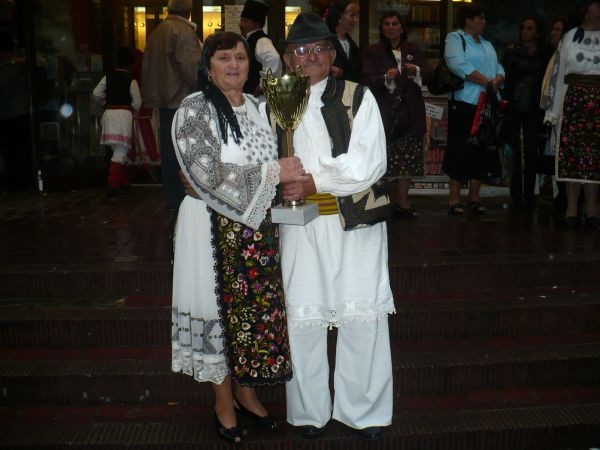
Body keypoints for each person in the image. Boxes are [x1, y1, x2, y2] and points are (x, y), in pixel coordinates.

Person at [170, 32, 304, 444]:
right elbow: (205, 173)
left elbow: (272, 164)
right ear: (208, 67)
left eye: (241, 58)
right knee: (216, 311)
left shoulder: (260, 108)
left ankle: (246, 393)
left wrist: (284, 179)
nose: (234, 65)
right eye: (224, 58)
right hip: (209, 228)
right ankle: (223, 402)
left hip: (256, 229)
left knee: (249, 316)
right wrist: (273, 173)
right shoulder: (195, 108)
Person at [274, 12, 394, 441]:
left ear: (332, 54)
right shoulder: (273, 101)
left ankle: (363, 411)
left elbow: (369, 162)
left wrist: (315, 181)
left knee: (361, 316)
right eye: (301, 50)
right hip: (299, 226)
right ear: (287, 59)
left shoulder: (357, 96)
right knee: (302, 317)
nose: (311, 57)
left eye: (319, 49)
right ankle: (308, 411)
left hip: (354, 223)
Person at [362, 11, 433, 218]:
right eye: (387, 24)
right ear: (382, 29)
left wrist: (416, 70)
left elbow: (430, 74)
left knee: (407, 160)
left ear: (402, 28)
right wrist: (385, 77)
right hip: (385, 112)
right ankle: (382, 203)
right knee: (384, 159)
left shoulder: (413, 49)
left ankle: (403, 203)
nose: (391, 27)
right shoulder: (373, 51)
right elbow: (365, 79)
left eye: (395, 24)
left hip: (411, 112)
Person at [442, 4, 505, 215]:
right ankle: (454, 198)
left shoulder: (487, 44)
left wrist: (497, 80)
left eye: (484, 18)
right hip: (465, 102)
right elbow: (458, 65)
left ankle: (474, 197)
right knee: (461, 148)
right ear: (468, 20)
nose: (484, 22)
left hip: (487, 102)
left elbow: (499, 67)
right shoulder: (455, 38)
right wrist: (487, 82)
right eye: (480, 18)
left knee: (483, 149)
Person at [141, 0, 202, 216]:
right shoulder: (183, 31)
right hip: (182, 99)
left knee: (169, 152)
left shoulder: (158, 31)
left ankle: (173, 199)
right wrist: (205, 89)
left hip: (164, 100)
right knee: (185, 152)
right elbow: (192, 68)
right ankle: (183, 199)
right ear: (189, 9)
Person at [544, 0, 600, 229]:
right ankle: (572, 209)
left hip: (598, 102)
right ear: (586, 11)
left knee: (595, 157)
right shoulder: (569, 37)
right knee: (571, 157)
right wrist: (554, 110)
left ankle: (592, 208)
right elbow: (558, 74)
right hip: (573, 101)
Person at [502, 17, 552, 210]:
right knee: (516, 151)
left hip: (534, 107)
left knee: (531, 151)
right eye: (523, 28)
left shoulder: (545, 52)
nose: (525, 31)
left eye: (530, 28)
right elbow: (506, 78)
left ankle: (529, 193)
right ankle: (517, 194)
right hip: (516, 105)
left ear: (538, 32)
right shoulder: (512, 51)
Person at [92, 46, 142, 197]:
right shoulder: (131, 81)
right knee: (121, 151)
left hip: (109, 114)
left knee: (118, 150)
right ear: (130, 64)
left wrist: (105, 102)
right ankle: (113, 183)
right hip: (123, 116)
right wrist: (133, 111)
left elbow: (96, 93)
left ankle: (122, 181)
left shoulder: (107, 77)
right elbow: (137, 102)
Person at [0, 30, 34, 192]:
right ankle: (21, 181)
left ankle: (19, 182)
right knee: (18, 151)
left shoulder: (14, 66)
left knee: (13, 151)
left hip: (13, 115)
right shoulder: (18, 65)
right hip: (18, 113)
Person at [239, 0, 282, 97]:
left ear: (256, 24)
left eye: (245, 21)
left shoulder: (261, 40)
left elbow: (273, 59)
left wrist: (262, 85)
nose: (241, 24)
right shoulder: (248, 39)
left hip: (257, 99)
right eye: (241, 20)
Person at [324, 0, 361, 82]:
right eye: (352, 15)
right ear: (339, 16)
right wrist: (328, 69)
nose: (356, 20)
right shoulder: (324, 41)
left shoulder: (352, 44)